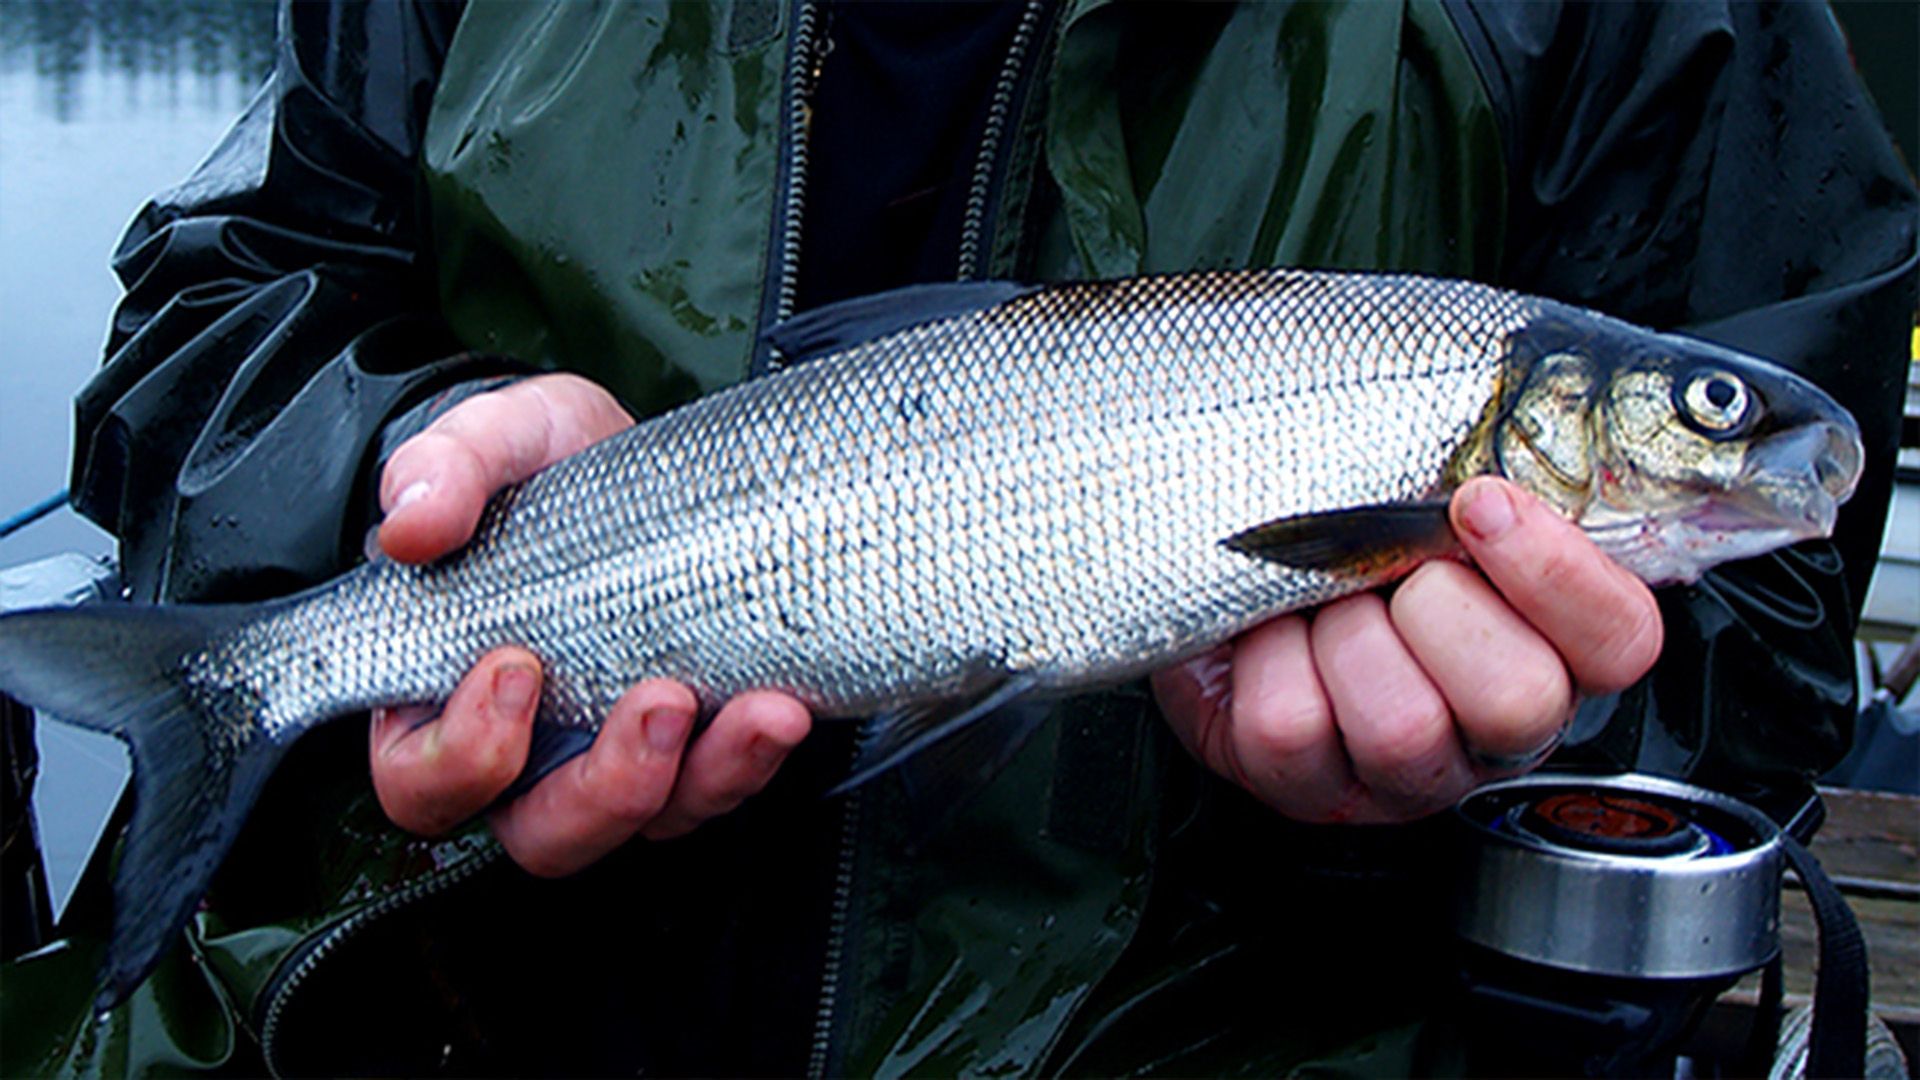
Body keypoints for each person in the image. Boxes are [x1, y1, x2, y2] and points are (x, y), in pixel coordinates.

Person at [5, 1, 1914, 1075]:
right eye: (1702, 417)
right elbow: (218, 311)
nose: (1747, 444)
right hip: (457, 1021)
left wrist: (1547, 748)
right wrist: (394, 452)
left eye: (1700, 415)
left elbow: (1760, 664)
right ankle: (234, 697)